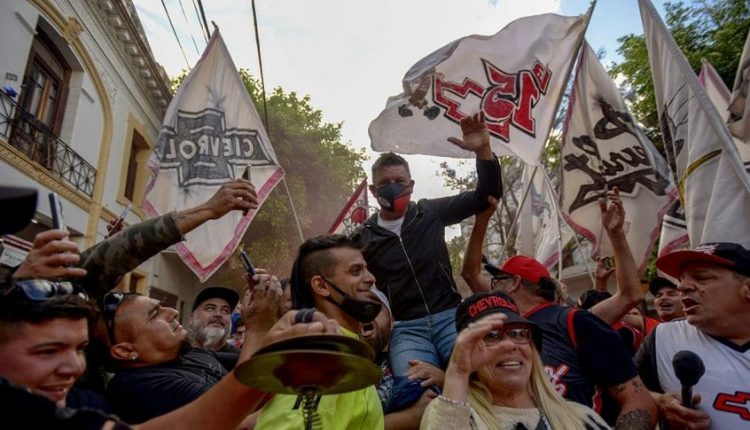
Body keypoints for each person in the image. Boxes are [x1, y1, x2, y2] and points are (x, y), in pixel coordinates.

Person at [0, 275, 341, 429]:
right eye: (47, 351)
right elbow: (233, 415)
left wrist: (280, 337)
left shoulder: (68, 419)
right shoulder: (136, 386)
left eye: (80, 349)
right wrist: (259, 333)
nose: (71, 367)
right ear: (124, 350)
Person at [353, 112, 502, 410]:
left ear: (411, 185)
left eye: (399, 181)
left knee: (484, 377)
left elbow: (486, 196)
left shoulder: (429, 213)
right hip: (406, 329)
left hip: (449, 316)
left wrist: (483, 150)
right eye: (385, 183)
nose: (392, 187)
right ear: (372, 190)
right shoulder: (361, 238)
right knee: (411, 392)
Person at [104, 270, 282, 423]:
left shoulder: (192, 354)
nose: (173, 312)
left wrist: (263, 301)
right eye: (155, 314)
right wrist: (258, 328)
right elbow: (236, 412)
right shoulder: (137, 385)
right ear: (125, 351)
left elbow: (268, 367)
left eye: (225, 310)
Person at [421, 291, 610, 429]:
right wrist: (458, 374)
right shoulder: (451, 414)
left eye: (518, 333)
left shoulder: (582, 417)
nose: (509, 345)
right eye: (491, 336)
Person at [253, 234, 384, 429]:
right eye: (356, 271)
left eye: (367, 269)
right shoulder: (316, 355)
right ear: (321, 286)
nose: (371, 278)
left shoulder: (345, 347)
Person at [636, 242, 750, 429]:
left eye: (701, 277)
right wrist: (659, 401)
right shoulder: (664, 338)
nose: (682, 287)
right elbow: (620, 393)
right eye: (681, 279)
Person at [189, 286, 240, 353]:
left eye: (225, 310)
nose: (218, 314)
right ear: (191, 319)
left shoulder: (240, 360)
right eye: (210, 308)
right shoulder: (177, 357)